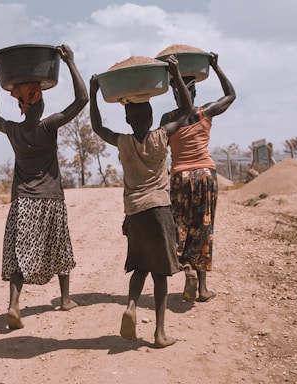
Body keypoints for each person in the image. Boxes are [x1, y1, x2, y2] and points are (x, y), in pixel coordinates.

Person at [89, 55, 191, 348]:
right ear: (149, 117)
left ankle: (132, 306)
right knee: (160, 273)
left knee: (139, 266)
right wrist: (175, 74)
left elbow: (97, 127)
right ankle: (159, 333)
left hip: (134, 212)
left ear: (127, 119)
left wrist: (95, 94)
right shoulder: (162, 135)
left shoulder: (122, 141)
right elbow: (185, 109)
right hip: (159, 209)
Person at [0, 44, 89, 330]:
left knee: (21, 253)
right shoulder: (48, 126)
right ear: (37, 103)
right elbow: (82, 100)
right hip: (51, 199)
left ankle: (13, 305)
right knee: (60, 248)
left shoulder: (14, 130)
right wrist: (70, 62)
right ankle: (66, 299)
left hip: (23, 202)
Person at [160, 52, 236, 303]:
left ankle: (188, 270)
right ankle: (202, 289)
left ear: (175, 92)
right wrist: (216, 65)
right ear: (194, 93)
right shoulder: (206, 112)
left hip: (181, 176)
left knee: (180, 227)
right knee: (204, 227)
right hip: (206, 174)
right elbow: (231, 95)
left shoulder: (167, 119)